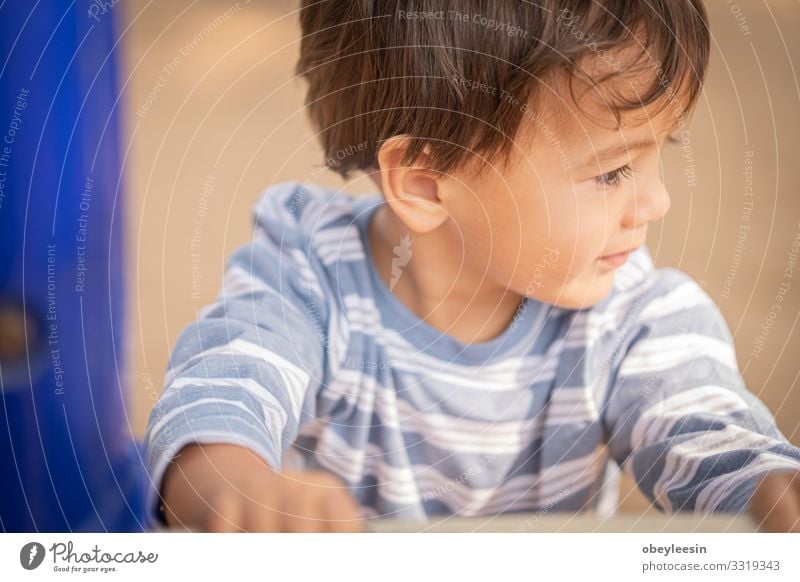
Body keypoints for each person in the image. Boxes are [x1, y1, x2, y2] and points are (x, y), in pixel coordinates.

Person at [144, 0, 800, 532]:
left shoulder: (629, 315)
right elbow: (230, 380)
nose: (655, 202)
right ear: (427, 185)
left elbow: (698, 421)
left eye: (661, 151)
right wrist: (230, 481)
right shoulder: (309, 278)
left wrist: (765, 485)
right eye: (611, 171)